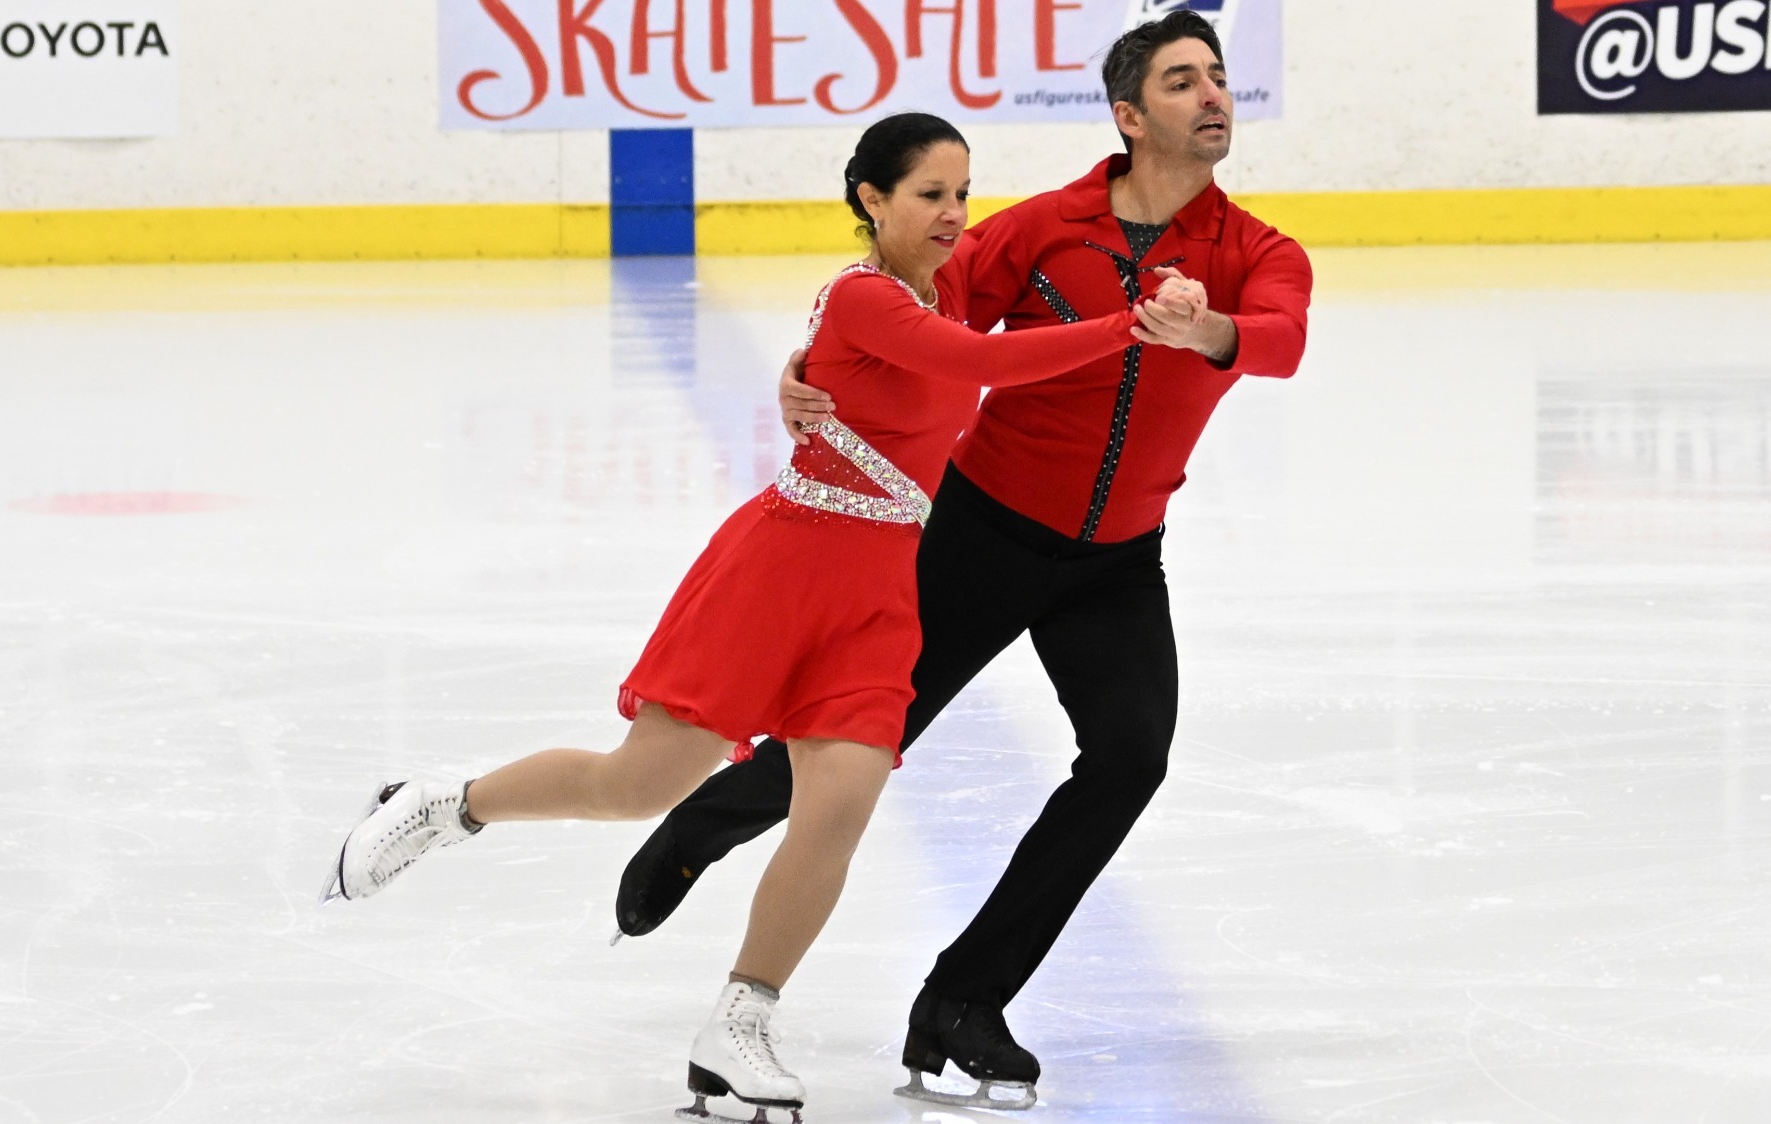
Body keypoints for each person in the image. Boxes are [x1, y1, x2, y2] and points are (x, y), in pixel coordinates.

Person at [318, 112, 1207, 1123]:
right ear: (871, 200)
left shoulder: (926, 292)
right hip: (785, 569)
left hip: (878, 592)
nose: (954, 214)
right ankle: (446, 801)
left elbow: (946, 357)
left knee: (838, 804)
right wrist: (1131, 327)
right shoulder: (866, 296)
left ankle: (738, 1022)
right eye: (929, 194)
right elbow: (973, 367)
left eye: (962, 194)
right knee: (633, 784)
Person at [610, 10, 1314, 1112]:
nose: (1213, 95)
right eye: (1183, 81)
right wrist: (804, 363)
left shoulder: (1252, 253)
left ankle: (963, 998)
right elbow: (911, 315)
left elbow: (1280, 338)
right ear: (1129, 116)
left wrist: (1210, 329)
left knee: (1128, 758)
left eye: (1219, 77)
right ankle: (704, 822)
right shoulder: (1039, 231)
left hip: (1117, 557)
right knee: (862, 734)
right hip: (980, 530)